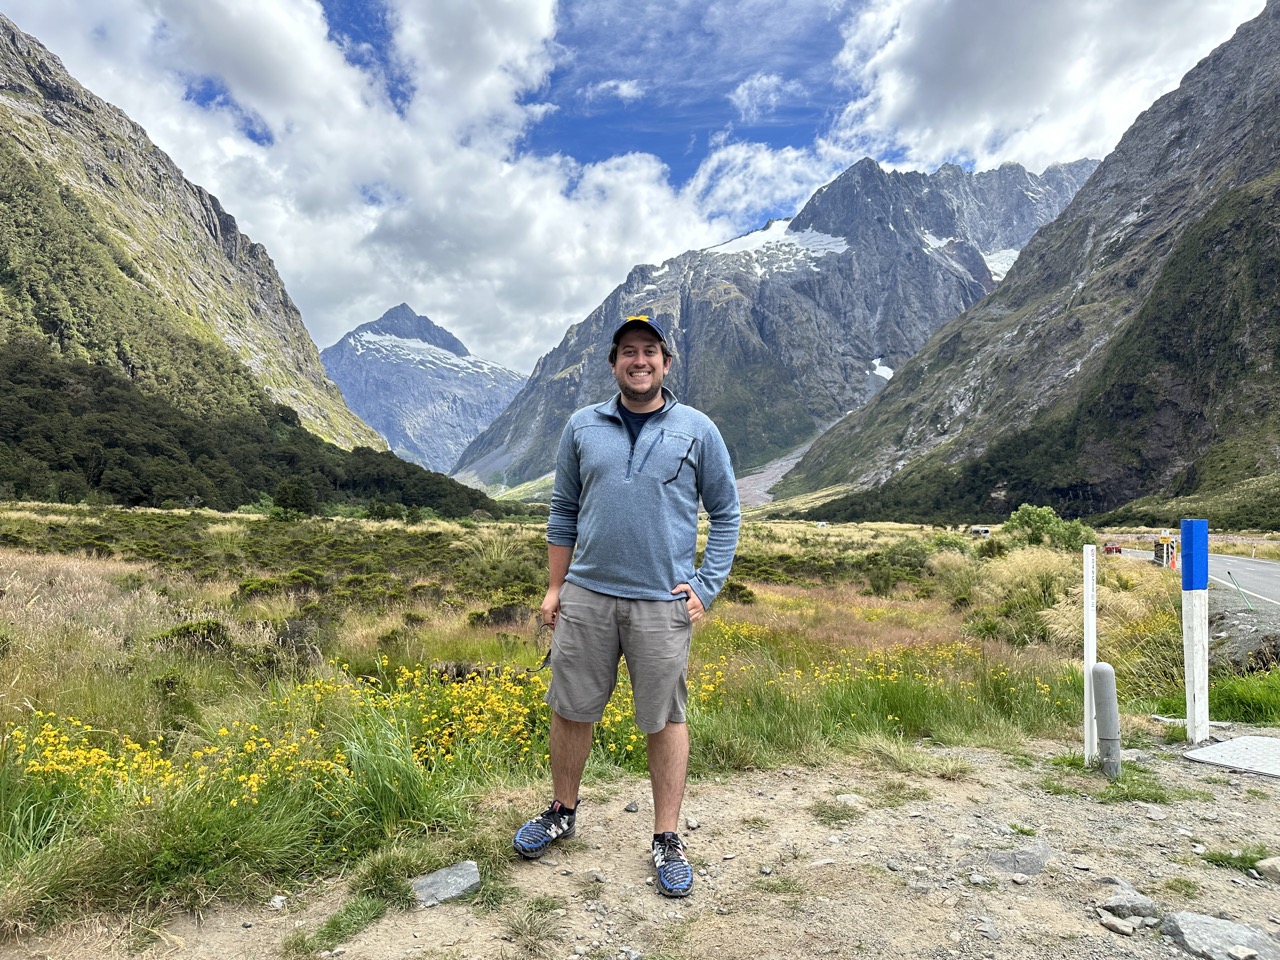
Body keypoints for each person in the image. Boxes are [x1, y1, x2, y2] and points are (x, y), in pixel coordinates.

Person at [512, 314, 741, 898]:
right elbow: (563, 510)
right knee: (571, 707)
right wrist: (555, 588)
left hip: (661, 603)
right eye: (627, 353)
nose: (639, 361)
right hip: (586, 595)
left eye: (650, 352)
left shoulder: (698, 429)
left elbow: (727, 513)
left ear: (666, 362)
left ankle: (667, 837)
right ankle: (562, 810)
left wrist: (705, 585)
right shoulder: (581, 427)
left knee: (665, 717)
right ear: (613, 364)